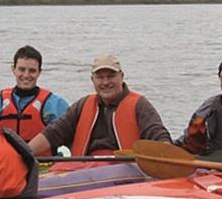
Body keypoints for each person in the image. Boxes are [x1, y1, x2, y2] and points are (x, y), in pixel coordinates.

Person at [26, 53, 171, 157]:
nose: (106, 82)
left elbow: (158, 136)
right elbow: (53, 134)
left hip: (129, 172)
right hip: (85, 171)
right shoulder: (82, 105)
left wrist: (168, 156)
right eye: (100, 77)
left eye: (111, 76)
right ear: (92, 80)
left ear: (122, 77)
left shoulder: (140, 105)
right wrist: (24, 153)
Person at [0, 45, 70, 149]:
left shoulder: (55, 104)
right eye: (22, 69)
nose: (26, 75)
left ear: (39, 72)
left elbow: (71, 133)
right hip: (6, 161)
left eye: (32, 71)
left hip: (43, 162)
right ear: (13, 69)